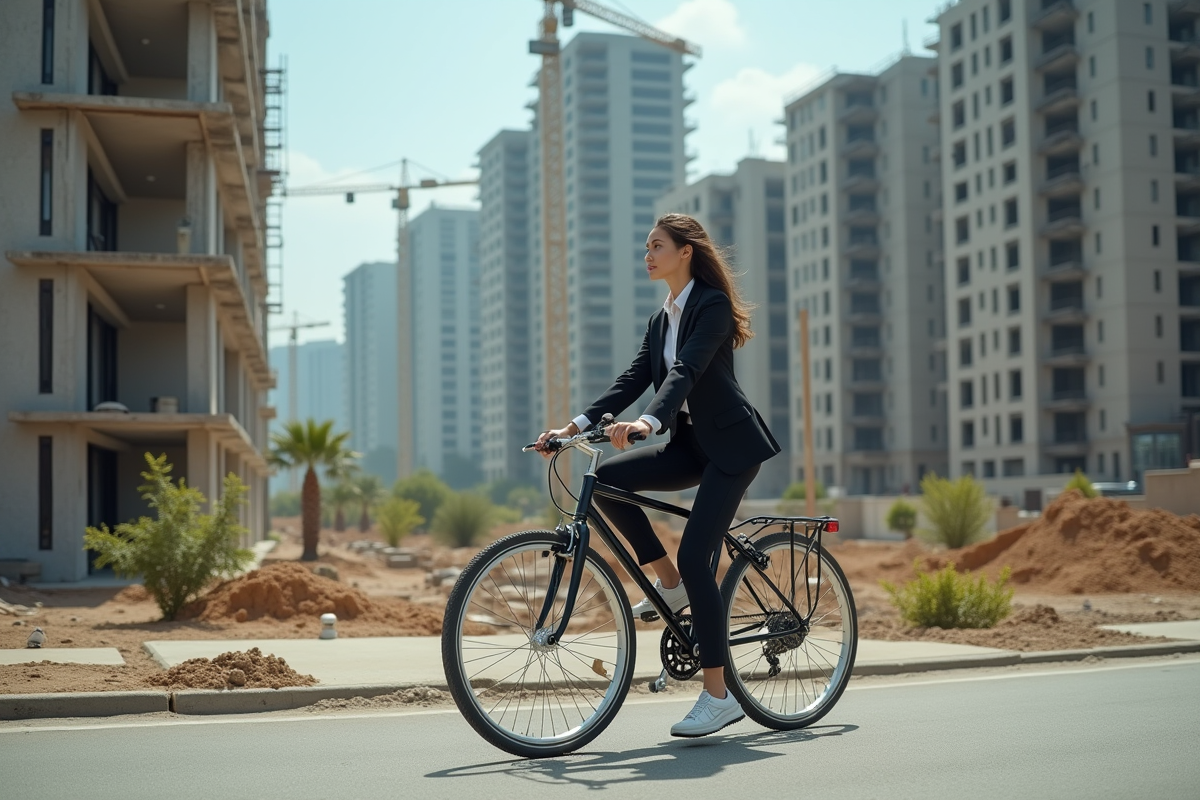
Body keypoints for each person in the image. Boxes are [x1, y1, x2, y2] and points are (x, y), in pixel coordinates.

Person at [535, 213, 780, 738]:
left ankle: (719, 697)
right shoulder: (660, 319)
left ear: (686, 251)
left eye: (657, 246)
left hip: (732, 448)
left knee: (697, 556)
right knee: (607, 486)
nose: (648, 255)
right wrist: (571, 426)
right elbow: (633, 377)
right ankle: (670, 586)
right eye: (646, 247)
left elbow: (685, 371)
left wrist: (650, 420)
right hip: (693, 445)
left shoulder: (710, 306)